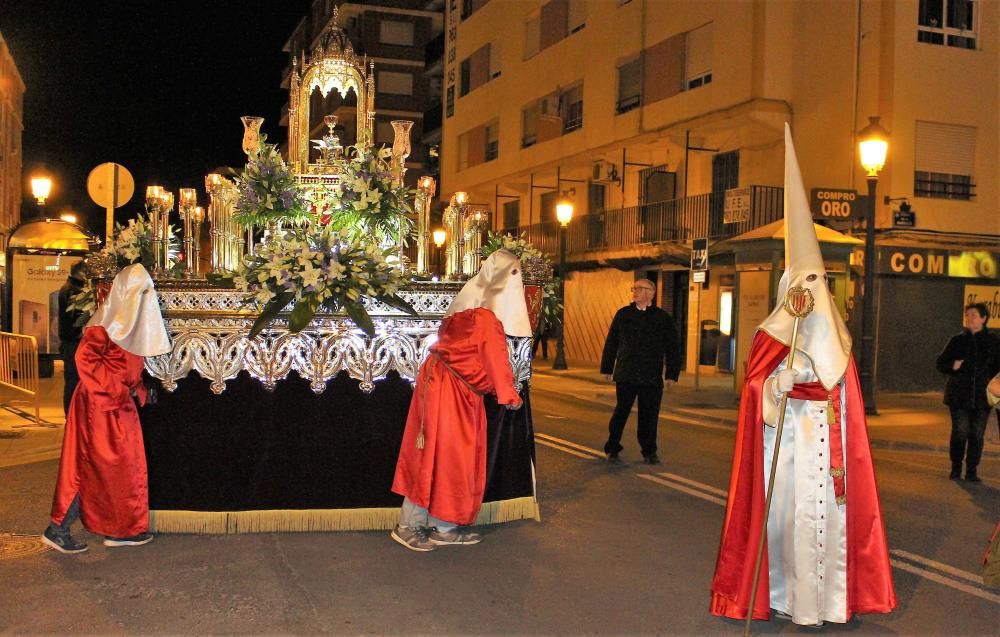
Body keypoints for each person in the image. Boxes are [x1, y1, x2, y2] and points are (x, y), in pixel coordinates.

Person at [710, 124, 895, 626]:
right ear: (791, 287)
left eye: (822, 280)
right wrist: (773, 387)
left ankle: (833, 604)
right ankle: (786, 599)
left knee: (830, 527)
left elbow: (848, 396)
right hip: (788, 448)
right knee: (789, 523)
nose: (815, 289)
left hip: (829, 454)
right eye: (807, 280)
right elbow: (755, 393)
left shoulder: (840, 338)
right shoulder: (772, 335)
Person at [391, 250, 530, 552]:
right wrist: (509, 396)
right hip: (452, 392)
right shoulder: (485, 319)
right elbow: (495, 360)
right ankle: (409, 525)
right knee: (442, 456)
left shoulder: (462, 310)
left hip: (446, 387)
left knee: (443, 456)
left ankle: (442, 525)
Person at [42, 264, 172, 554]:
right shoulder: (105, 324)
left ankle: (120, 529)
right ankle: (58, 527)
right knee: (85, 465)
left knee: (120, 469)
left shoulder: (128, 322)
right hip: (98, 406)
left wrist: (136, 391)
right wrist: (117, 391)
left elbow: (126, 368)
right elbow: (85, 361)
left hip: (114, 406)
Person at [599, 278, 680, 465]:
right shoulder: (623, 314)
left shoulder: (662, 318)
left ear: (651, 293)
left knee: (650, 415)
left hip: (651, 375)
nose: (634, 292)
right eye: (633, 288)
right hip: (626, 372)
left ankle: (649, 450)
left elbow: (673, 348)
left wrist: (671, 375)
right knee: (621, 411)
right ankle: (612, 447)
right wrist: (607, 368)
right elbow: (612, 343)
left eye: (639, 289)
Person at [935, 302, 1000, 482]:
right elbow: (940, 363)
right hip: (959, 397)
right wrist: (952, 366)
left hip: (983, 398)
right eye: (968, 315)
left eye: (974, 315)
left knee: (977, 434)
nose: (970, 318)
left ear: (984, 318)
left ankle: (972, 470)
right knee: (960, 432)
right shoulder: (957, 340)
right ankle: (956, 467)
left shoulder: (993, 342)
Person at [58, 261, 88, 415]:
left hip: (70, 342)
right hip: (73, 343)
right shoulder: (73, 290)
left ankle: (71, 413)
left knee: (71, 380)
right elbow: (75, 319)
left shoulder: (68, 287)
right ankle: (71, 414)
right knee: (73, 381)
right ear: (80, 272)